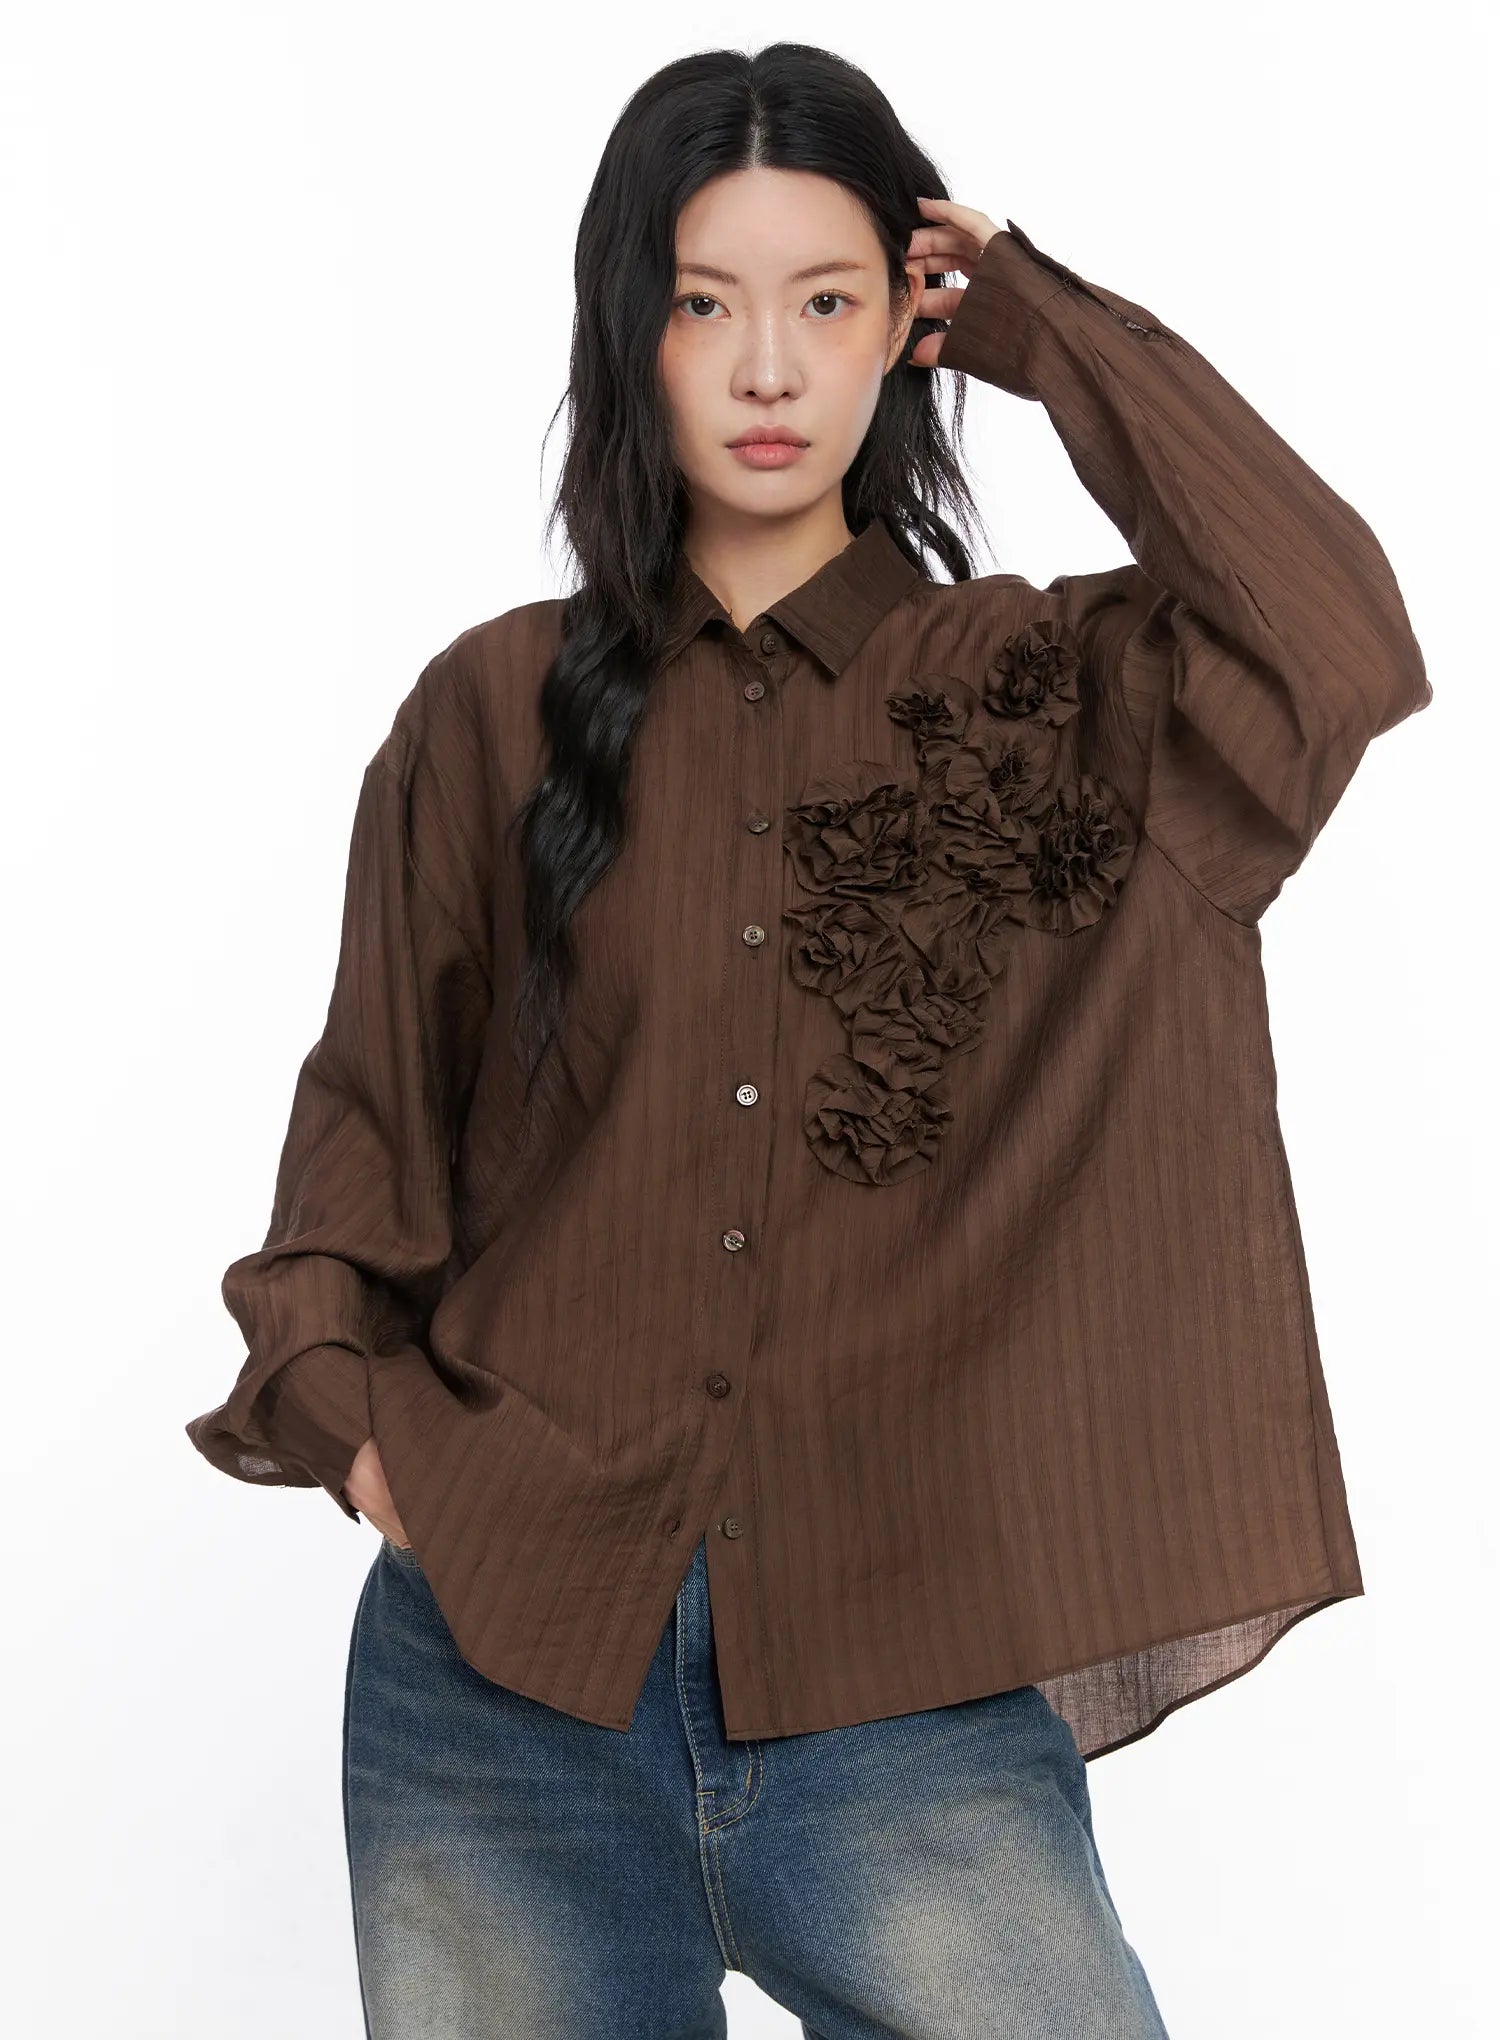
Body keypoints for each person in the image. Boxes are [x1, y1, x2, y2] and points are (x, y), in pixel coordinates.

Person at [184, 42, 1430, 2040]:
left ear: (899, 330)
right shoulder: (488, 719)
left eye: (827, 300)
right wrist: (365, 1444)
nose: (767, 366)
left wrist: (1050, 331)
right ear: (632, 335)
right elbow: (363, 1140)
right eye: (705, 303)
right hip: (502, 1688)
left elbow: (1337, 649)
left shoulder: (1052, 694)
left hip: (903, 1682)